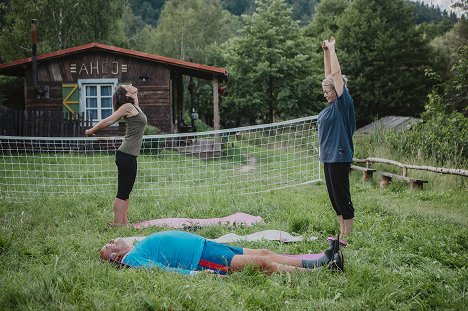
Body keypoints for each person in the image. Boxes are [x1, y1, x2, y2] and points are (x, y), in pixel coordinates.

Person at [99, 230, 344, 275]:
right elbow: (161, 269)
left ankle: (319, 261)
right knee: (261, 262)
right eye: (108, 246)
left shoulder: (136, 246)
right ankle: (321, 273)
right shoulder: (133, 259)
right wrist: (197, 276)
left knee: (264, 251)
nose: (111, 242)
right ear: (115, 257)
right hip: (202, 258)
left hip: (206, 245)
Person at [85, 85, 147, 225]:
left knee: (127, 192)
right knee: (122, 192)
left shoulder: (134, 106)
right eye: (127, 86)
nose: (130, 85)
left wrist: (132, 92)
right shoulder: (127, 107)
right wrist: (92, 131)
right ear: (126, 94)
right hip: (125, 154)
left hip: (130, 155)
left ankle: (125, 223)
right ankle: (117, 224)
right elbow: (109, 120)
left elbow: (135, 91)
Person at [318, 37, 356, 245]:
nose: (325, 95)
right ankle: (341, 235)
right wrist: (325, 51)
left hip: (340, 155)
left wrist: (332, 48)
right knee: (334, 198)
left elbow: (335, 75)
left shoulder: (343, 102)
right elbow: (328, 76)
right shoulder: (332, 103)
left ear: (337, 90)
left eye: (327, 91)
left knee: (342, 196)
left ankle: (347, 237)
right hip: (328, 157)